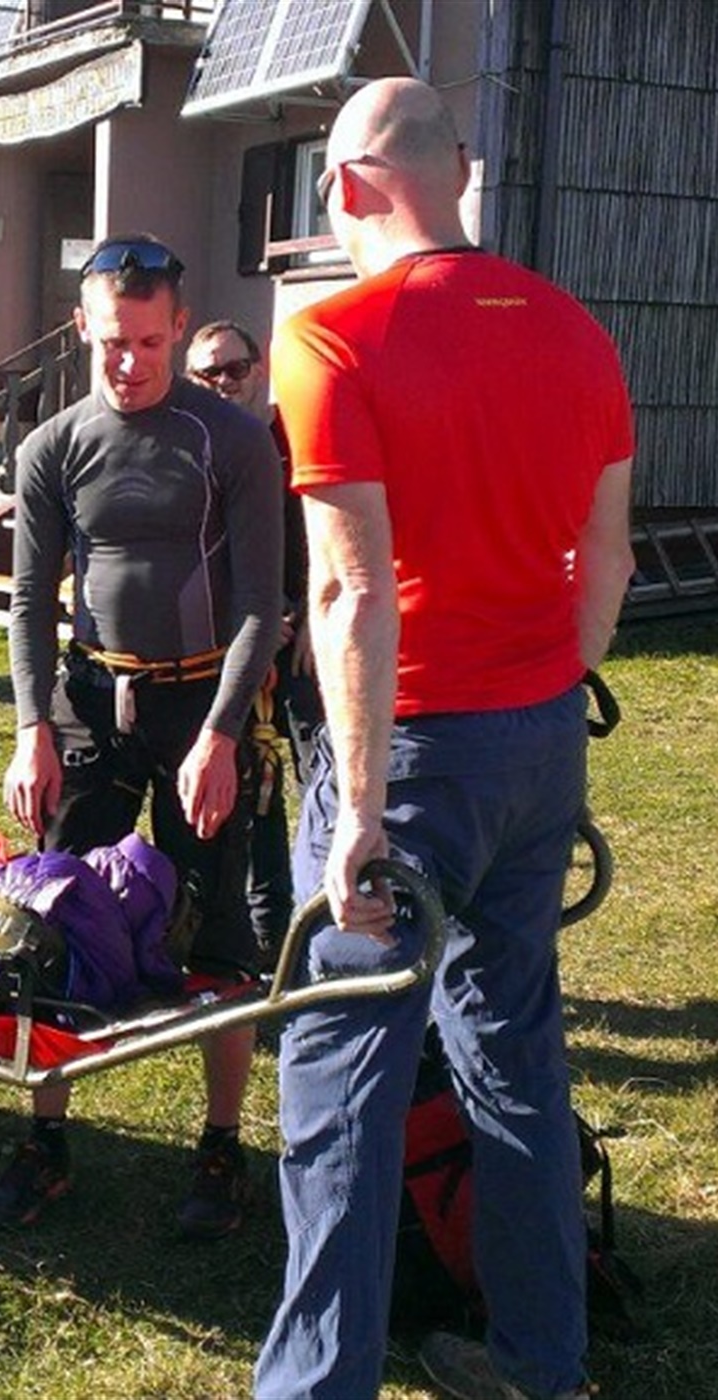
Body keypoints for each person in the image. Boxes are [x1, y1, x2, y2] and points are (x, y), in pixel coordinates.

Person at [252, 78, 635, 1400]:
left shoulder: (335, 339)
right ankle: (545, 1363)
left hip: (409, 763)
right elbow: (611, 565)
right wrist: (542, 690)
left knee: (342, 1086)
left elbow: (351, 592)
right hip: (536, 746)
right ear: (455, 172)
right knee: (514, 1051)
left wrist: (356, 810)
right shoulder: (580, 333)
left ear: (352, 185)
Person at [0, 236, 284, 1238]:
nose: (132, 363)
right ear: (83, 327)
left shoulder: (232, 439)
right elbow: (29, 600)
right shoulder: (51, 447)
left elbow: (259, 604)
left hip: (201, 706)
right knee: (49, 916)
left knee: (219, 935)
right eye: (113, 343)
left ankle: (219, 1142)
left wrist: (219, 735)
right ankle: (45, 1138)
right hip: (87, 698)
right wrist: (30, 725)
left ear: (175, 323)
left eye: (151, 342)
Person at [186, 320, 323, 969]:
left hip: (307, 643)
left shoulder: (294, 437)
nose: (222, 384)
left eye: (233, 370)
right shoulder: (193, 448)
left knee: (325, 784)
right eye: (207, 375)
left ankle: (339, 933)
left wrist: (314, 617)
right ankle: (270, 936)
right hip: (236, 647)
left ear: (258, 369)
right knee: (254, 796)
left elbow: (333, 532)